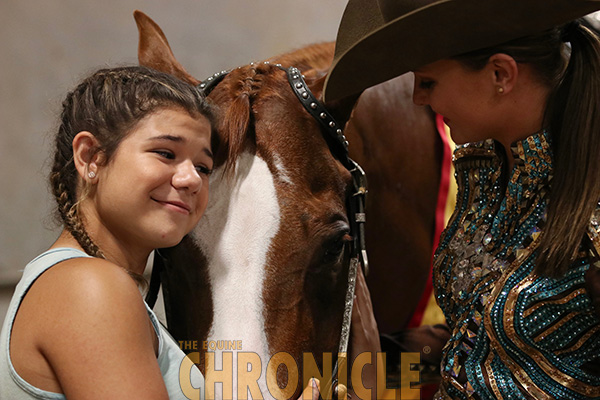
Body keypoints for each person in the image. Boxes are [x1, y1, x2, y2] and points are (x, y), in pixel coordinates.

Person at [324, 0, 600, 398]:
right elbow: (476, 343)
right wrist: (363, 368)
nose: (417, 98)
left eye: (429, 81)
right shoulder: (486, 175)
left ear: (500, 74)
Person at [0, 65, 322, 400]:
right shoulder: (90, 287)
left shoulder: (88, 283)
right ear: (91, 157)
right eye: (166, 153)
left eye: (203, 167)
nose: (192, 179)